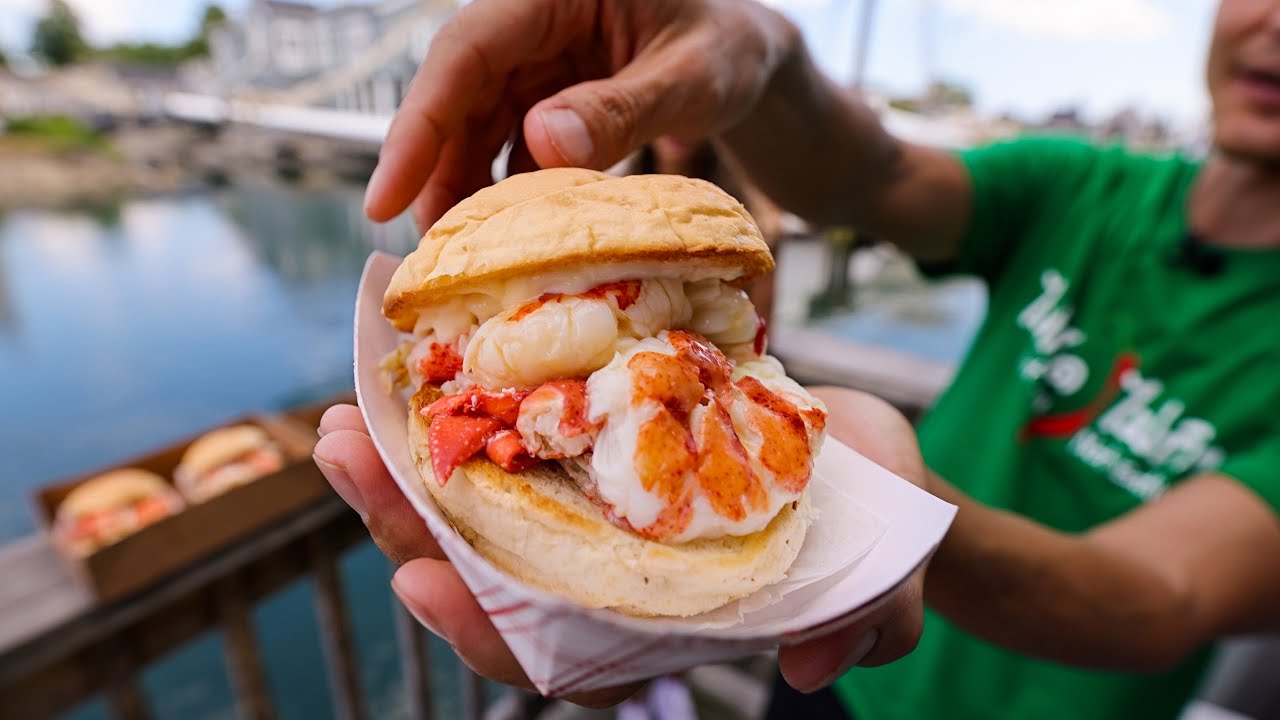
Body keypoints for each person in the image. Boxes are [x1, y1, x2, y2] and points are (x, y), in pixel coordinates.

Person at [313, 1, 1280, 717]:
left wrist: (883, 517)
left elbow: (1161, 600)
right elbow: (875, 174)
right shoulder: (1087, 185)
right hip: (826, 692)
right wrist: (751, 44)